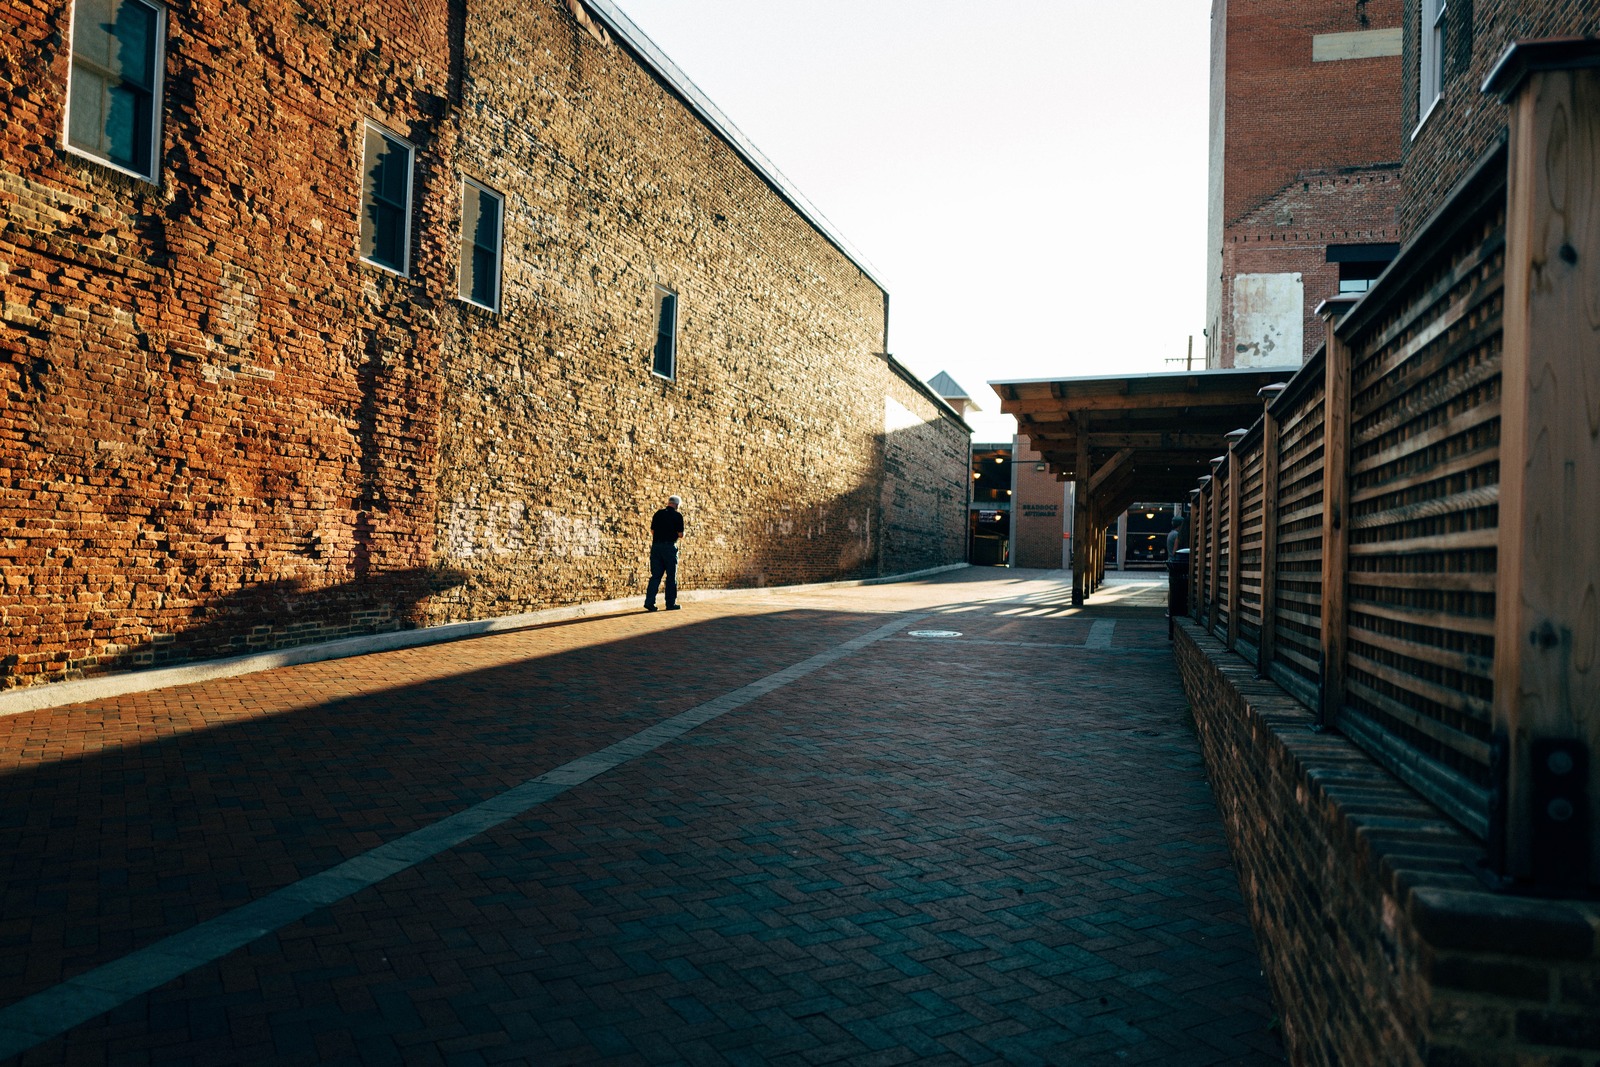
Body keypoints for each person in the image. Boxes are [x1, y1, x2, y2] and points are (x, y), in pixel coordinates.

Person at [645, 494, 685, 611]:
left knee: (655, 576)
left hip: (656, 547)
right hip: (669, 548)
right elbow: (680, 534)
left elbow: (652, 531)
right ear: (677, 505)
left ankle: (649, 602)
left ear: (668, 503)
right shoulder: (678, 516)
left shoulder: (658, 514)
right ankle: (670, 604)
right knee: (671, 576)